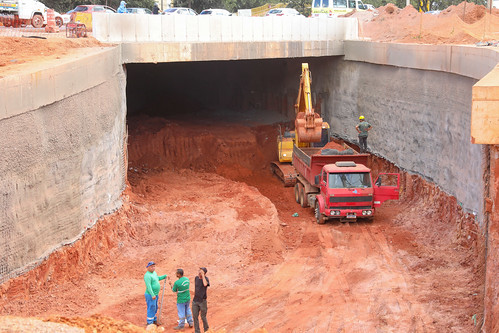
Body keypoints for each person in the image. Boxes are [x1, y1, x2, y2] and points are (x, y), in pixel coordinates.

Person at [144, 261, 167, 326]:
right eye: (151, 266)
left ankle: (154, 320)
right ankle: (149, 323)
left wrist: (164, 276)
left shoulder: (154, 273)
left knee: (155, 307)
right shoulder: (147, 275)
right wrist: (152, 294)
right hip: (150, 295)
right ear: (148, 267)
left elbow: (157, 278)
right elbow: (148, 286)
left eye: (154, 266)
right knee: (151, 307)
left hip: (155, 294)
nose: (153, 268)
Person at [192, 267, 210, 333]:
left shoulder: (206, 279)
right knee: (195, 317)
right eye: (199, 271)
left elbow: (205, 284)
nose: (199, 272)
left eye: (201, 271)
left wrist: (203, 275)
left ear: (204, 273)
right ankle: (197, 331)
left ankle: (206, 330)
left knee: (203, 317)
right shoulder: (196, 278)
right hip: (195, 301)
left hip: (202, 301)